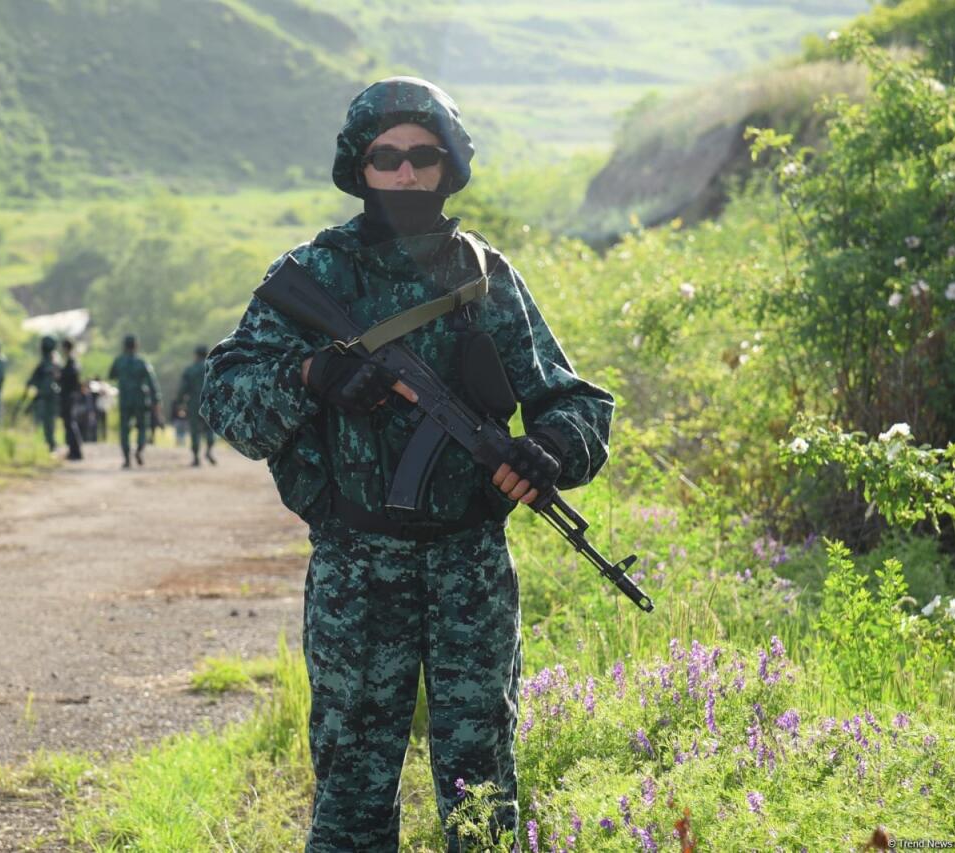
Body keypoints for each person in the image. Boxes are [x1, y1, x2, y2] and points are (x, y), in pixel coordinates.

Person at [200, 77, 614, 852]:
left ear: (449, 165)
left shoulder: (485, 277)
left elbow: (576, 399)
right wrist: (309, 377)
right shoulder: (312, 277)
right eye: (385, 157)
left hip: (469, 565)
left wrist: (550, 447)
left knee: (482, 785)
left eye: (423, 156)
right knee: (353, 788)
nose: (405, 173)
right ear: (358, 167)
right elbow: (226, 397)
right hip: (357, 567)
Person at [107, 333, 160, 468]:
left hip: (125, 399)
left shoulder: (119, 361)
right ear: (136, 346)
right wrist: (156, 400)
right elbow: (152, 383)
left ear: (124, 346)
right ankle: (139, 451)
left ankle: (126, 458)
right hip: (140, 399)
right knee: (142, 427)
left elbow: (111, 375)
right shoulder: (142, 362)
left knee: (124, 429)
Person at [175, 344, 216, 466]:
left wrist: (179, 402)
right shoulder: (212, 368)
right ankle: (208, 451)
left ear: (196, 355)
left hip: (194, 404)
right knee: (209, 429)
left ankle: (196, 458)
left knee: (195, 431)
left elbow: (183, 388)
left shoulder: (190, 370)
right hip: (209, 403)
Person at [24, 335, 60, 452]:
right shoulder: (47, 361)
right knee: (45, 421)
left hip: (47, 396)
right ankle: (49, 442)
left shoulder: (51, 361)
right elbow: (35, 377)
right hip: (45, 396)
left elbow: (49, 381)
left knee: (48, 421)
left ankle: (51, 443)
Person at [59, 338, 84, 461]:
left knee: (70, 424)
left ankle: (75, 451)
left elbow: (72, 377)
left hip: (69, 396)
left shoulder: (72, 362)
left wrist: (60, 376)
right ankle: (73, 450)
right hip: (70, 396)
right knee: (69, 424)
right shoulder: (71, 361)